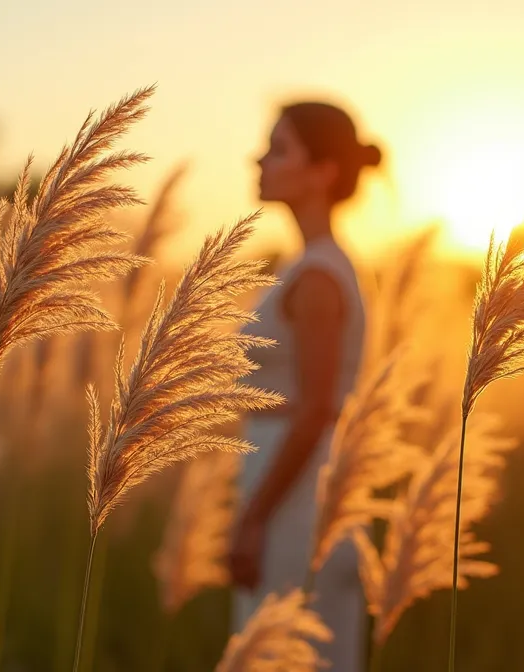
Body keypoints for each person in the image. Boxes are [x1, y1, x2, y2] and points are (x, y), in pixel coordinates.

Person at [229, 100, 381, 670]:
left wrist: (254, 517)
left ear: (324, 173)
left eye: (279, 148)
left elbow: (317, 409)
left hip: (297, 498)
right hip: (290, 485)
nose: (259, 158)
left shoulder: (319, 274)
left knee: (286, 653)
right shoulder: (311, 264)